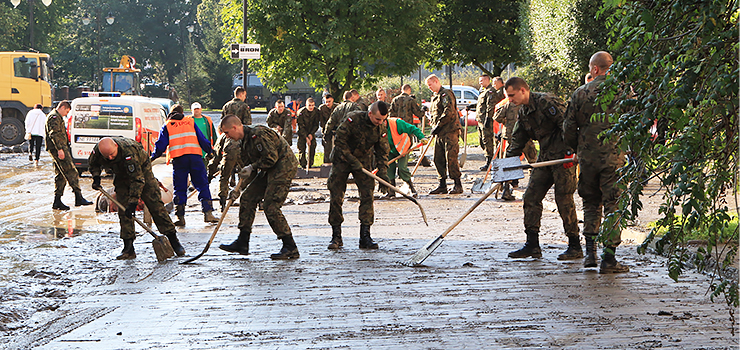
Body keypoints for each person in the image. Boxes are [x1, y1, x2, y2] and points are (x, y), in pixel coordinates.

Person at [563, 51, 629, 274]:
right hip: (614, 158)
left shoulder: (580, 93)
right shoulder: (623, 92)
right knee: (613, 205)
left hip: (588, 158)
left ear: (594, 69)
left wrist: (575, 148)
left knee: (591, 203)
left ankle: (590, 253)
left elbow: (569, 127)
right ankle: (609, 258)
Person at [504, 77, 580, 260]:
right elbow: (517, 141)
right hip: (544, 159)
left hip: (563, 158)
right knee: (531, 196)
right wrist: (505, 168)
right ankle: (532, 244)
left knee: (563, 199)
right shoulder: (523, 112)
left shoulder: (546, 102)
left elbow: (568, 125)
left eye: (512, 95)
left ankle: (575, 245)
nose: (510, 100)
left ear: (523, 90)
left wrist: (573, 151)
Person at [89, 137, 186, 259]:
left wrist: (133, 203)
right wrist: (96, 177)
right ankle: (128, 248)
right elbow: (93, 164)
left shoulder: (129, 152)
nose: (109, 158)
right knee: (123, 210)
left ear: (116, 147)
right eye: (106, 156)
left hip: (142, 173)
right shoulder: (99, 151)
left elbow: (137, 180)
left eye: (112, 154)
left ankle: (174, 241)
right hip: (121, 176)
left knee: (155, 205)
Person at [218, 115, 300, 259]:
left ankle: (290, 246)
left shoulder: (259, 134)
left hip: (283, 166)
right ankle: (243, 242)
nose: (227, 136)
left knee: (270, 205)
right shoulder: (244, 143)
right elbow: (249, 172)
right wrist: (238, 190)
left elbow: (271, 158)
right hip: (267, 169)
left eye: (227, 132)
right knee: (247, 198)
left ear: (235, 127)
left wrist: (252, 167)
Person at [327, 101, 390, 250]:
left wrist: (383, 172)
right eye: (377, 119)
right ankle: (336, 236)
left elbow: (382, 150)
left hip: (363, 161)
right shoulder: (352, 119)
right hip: (342, 159)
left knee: (368, 194)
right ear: (370, 114)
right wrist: (351, 160)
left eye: (383, 119)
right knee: (336, 195)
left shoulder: (380, 126)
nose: (380, 122)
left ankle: (365, 236)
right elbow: (340, 143)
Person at [151, 105, 218, 226]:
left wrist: (152, 158)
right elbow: (202, 139)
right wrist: (210, 151)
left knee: (180, 187)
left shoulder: (168, 125)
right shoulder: (190, 122)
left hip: (179, 159)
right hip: (195, 157)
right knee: (202, 184)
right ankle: (208, 213)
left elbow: (161, 145)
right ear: (182, 113)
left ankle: (180, 217)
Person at [45, 100, 92, 210]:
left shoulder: (56, 116)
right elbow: (54, 134)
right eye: (67, 111)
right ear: (63, 107)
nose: (66, 114)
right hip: (58, 149)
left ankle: (57, 201)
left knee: (60, 175)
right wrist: (60, 149)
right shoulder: (54, 117)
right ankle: (78, 197)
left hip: (59, 148)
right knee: (71, 171)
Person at [494, 95, 538, 200]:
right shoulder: (527, 105)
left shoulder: (507, 105)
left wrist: (506, 123)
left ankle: (506, 188)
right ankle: (535, 185)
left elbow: (496, 116)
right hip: (525, 136)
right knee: (533, 160)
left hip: (511, 136)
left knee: (509, 162)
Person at [425, 74, 463, 194]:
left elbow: (449, 111)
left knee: (451, 158)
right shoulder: (435, 97)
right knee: (438, 159)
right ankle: (442, 184)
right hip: (439, 133)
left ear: (436, 81)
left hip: (449, 131)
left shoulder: (445, 94)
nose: (429, 88)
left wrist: (438, 125)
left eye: (430, 85)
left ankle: (458, 184)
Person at [385, 116, 426, 197]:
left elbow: (413, 128)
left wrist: (421, 137)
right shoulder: (376, 127)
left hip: (402, 148)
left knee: (402, 168)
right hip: (389, 150)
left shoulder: (397, 123)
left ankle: (412, 189)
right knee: (389, 169)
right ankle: (391, 191)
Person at [208, 130, 244, 211]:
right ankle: (259, 201)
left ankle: (223, 203)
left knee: (224, 177)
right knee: (249, 176)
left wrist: (210, 174)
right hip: (242, 154)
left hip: (229, 155)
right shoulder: (241, 133)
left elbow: (216, 158)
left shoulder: (223, 136)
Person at [476, 75, 506, 171]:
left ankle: (490, 162)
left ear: (486, 80)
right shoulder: (483, 91)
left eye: (481, 81)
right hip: (480, 120)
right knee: (482, 141)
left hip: (486, 120)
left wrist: (488, 119)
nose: (480, 82)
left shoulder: (490, 91)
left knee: (487, 140)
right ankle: (490, 159)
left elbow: (490, 105)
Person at [296, 97, 321, 169]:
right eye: (309, 105)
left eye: (312, 105)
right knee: (301, 149)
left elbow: (316, 124)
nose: (311, 107)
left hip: (311, 132)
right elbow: (301, 126)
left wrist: (311, 134)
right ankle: (303, 164)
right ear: (306, 105)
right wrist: (306, 137)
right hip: (302, 133)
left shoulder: (316, 112)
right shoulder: (301, 112)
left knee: (312, 147)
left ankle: (310, 164)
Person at [318, 94, 336, 164]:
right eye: (326, 101)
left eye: (329, 101)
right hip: (326, 130)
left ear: (332, 100)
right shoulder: (322, 108)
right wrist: (327, 130)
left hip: (335, 130)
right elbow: (322, 121)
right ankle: (326, 164)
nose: (328, 103)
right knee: (327, 149)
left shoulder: (337, 107)